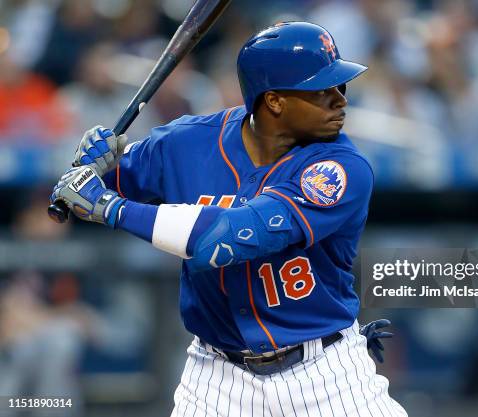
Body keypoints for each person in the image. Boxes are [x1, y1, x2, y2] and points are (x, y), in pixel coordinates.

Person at [51, 21, 407, 416]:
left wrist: (111, 209)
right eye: (322, 91)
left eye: (340, 87)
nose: (340, 100)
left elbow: (224, 241)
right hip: (216, 376)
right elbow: (90, 183)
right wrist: (93, 162)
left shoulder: (340, 166)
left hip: (324, 373)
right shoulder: (185, 142)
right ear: (274, 102)